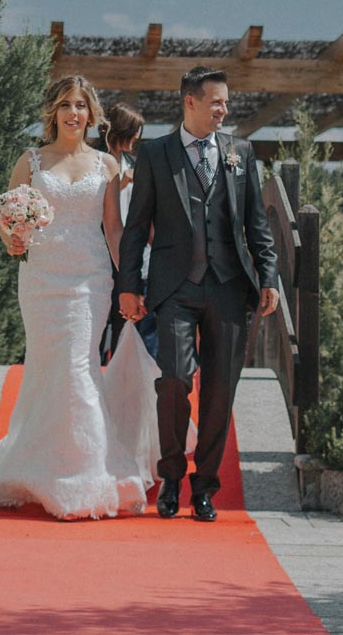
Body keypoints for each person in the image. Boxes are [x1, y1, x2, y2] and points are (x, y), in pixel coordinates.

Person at [118, 65, 279, 523]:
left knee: (220, 390)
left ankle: (204, 487)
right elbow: (135, 228)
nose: (224, 109)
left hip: (229, 289)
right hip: (174, 288)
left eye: (226, 102)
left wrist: (269, 277)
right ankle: (171, 476)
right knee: (173, 379)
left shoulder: (240, 152)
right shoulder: (155, 153)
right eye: (216, 102)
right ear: (190, 102)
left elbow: (257, 225)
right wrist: (129, 286)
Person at [0, 75, 148, 520]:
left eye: (80, 105)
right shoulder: (31, 160)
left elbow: (113, 229)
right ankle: (34, 469)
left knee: (79, 368)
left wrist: (129, 280)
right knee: (45, 369)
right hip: (40, 280)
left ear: (92, 114)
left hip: (90, 280)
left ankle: (84, 479)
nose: (73, 113)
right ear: (53, 113)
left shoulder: (106, 166)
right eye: (64, 105)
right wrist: (11, 239)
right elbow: (6, 217)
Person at [98, 101, 158, 361]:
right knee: (99, 325)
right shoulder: (96, 161)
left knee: (127, 326)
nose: (138, 137)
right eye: (135, 130)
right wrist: (122, 183)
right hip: (101, 252)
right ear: (121, 129)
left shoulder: (135, 163)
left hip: (131, 255)